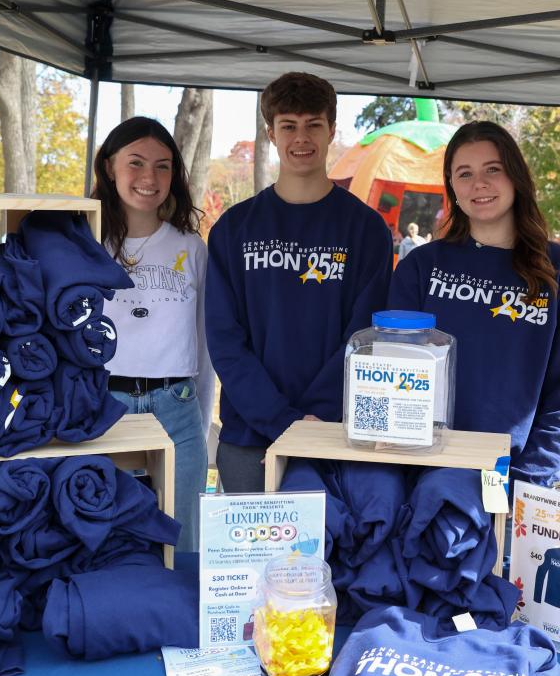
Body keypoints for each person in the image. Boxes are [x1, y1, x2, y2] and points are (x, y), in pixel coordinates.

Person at [205, 72, 392, 493]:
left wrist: (315, 420)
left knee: (332, 557)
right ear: (271, 133)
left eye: (313, 125)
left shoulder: (365, 229)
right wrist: (279, 418)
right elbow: (224, 339)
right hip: (250, 435)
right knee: (250, 558)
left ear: (332, 130)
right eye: (289, 125)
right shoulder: (235, 228)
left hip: (334, 433)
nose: (301, 138)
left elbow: (365, 338)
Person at [388, 120, 560, 487]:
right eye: (464, 173)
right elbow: (394, 366)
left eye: (492, 170)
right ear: (452, 186)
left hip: (517, 475)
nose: (479, 184)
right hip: (425, 471)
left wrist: (532, 473)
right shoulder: (422, 267)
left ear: (515, 177)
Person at [93, 116, 212, 552]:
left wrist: (200, 417)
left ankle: (179, 618)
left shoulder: (191, 247)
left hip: (176, 406)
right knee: (106, 534)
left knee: (182, 544)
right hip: (105, 407)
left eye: (163, 166)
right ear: (109, 168)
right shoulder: (87, 244)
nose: (150, 178)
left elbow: (202, 343)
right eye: (136, 163)